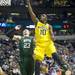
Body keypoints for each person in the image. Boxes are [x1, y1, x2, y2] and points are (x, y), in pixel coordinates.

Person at [26, 0, 71, 75]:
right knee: (37, 61)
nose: (41, 16)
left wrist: (52, 36)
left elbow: (52, 36)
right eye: (41, 16)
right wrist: (28, 4)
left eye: (43, 15)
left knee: (54, 54)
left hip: (48, 43)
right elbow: (32, 14)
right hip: (39, 45)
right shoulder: (37, 23)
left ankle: (64, 67)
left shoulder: (49, 26)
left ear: (46, 18)